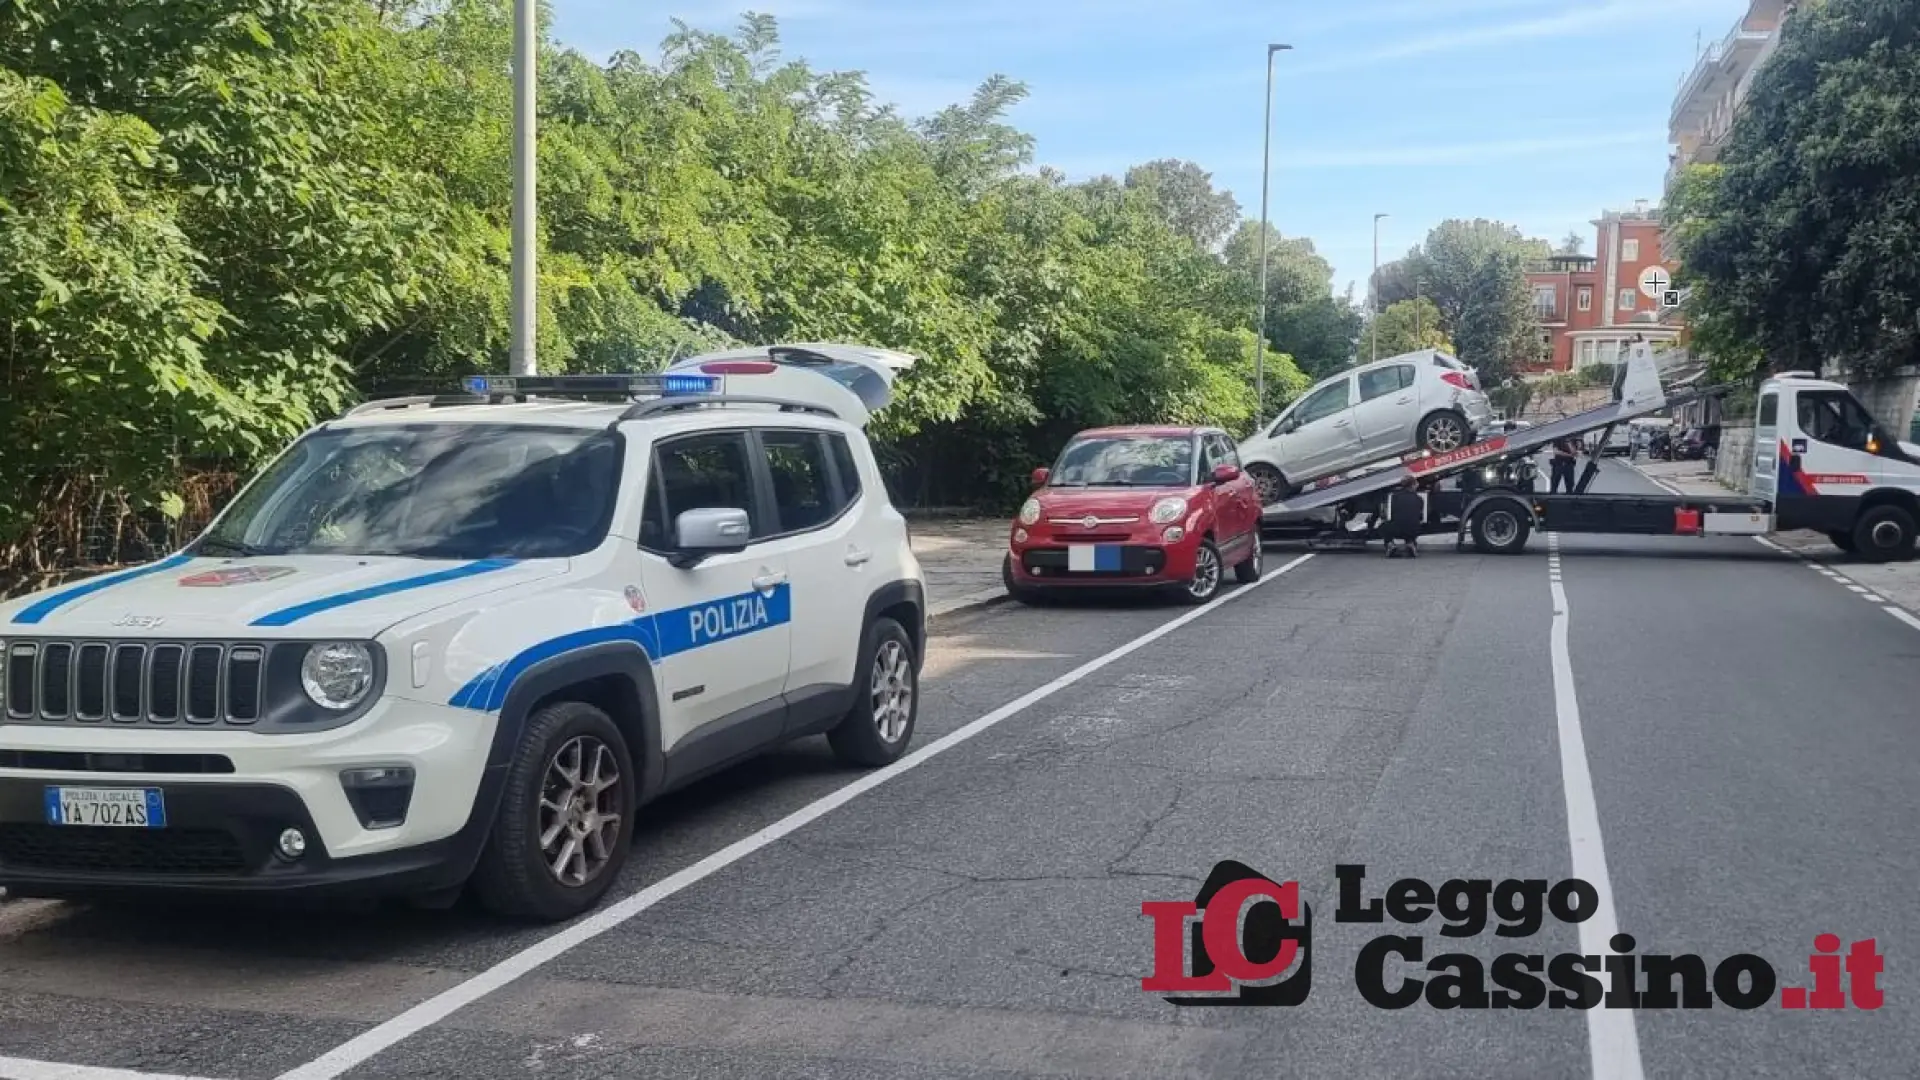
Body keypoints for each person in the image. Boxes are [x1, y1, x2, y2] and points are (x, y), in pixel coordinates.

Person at [1383, 477, 1425, 558]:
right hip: (1414, 530)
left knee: (1383, 527)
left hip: (1397, 529)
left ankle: (1390, 545)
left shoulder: (1394, 497)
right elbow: (1420, 515)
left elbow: (1390, 513)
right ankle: (1410, 543)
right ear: (1412, 485)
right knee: (1410, 523)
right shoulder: (1419, 498)